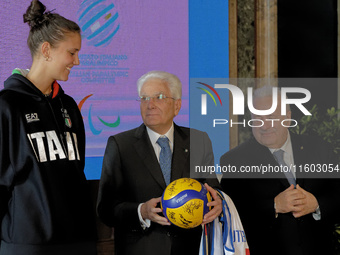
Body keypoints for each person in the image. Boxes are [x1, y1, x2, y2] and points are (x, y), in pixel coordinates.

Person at [0, 1, 97, 254]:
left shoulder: (69, 106)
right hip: (29, 243)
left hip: (79, 240)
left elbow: (77, 171)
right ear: (46, 49)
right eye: (72, 52)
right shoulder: (7, 105)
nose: (76, 61)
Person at [97, 70, 222, 255]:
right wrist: (142, 211)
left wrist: (218, 203)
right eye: (144, 98)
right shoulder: (120, 145)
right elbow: (106, 209)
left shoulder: (199, 140)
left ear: (177, 106)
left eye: (159, 97)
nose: (150, 105)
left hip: (191, 248)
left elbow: (212, 190)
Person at [220, 85, 340, 255]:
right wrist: (274, 206)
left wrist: (316, 204)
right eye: (257, 118)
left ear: (288, 117)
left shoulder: (319, 148)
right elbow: (232, 213)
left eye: (271, 117)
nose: (264, 126)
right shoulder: (235, 160)